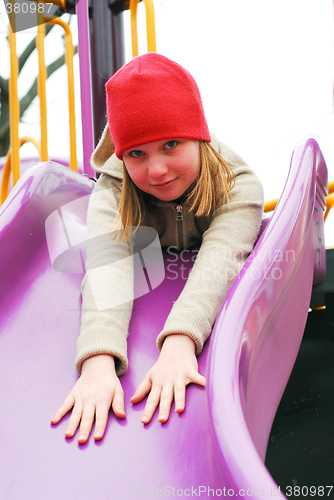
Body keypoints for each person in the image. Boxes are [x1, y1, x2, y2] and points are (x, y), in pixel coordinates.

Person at [51, 53, 264, 444]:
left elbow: (220, 259)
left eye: (171, 144)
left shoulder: (238, 185)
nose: (157, 170)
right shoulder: (113, 191)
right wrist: (98, 361)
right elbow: (107, 268)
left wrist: (180, 342)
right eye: (137, 153)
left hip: (194, 289)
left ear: (198, 134)